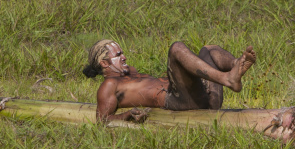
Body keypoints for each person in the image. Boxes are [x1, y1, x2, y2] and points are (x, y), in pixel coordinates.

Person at [83, 39, 256, 122]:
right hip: (180, 102)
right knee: (176, 48)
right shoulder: (109, 86)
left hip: (204, 98)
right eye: (118, 55)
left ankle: (236, 66)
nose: (124, 57)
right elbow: (102, 120)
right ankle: (227, 79)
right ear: (104, 63)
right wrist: (127, 115)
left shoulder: (130, 74)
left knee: (209, 50)